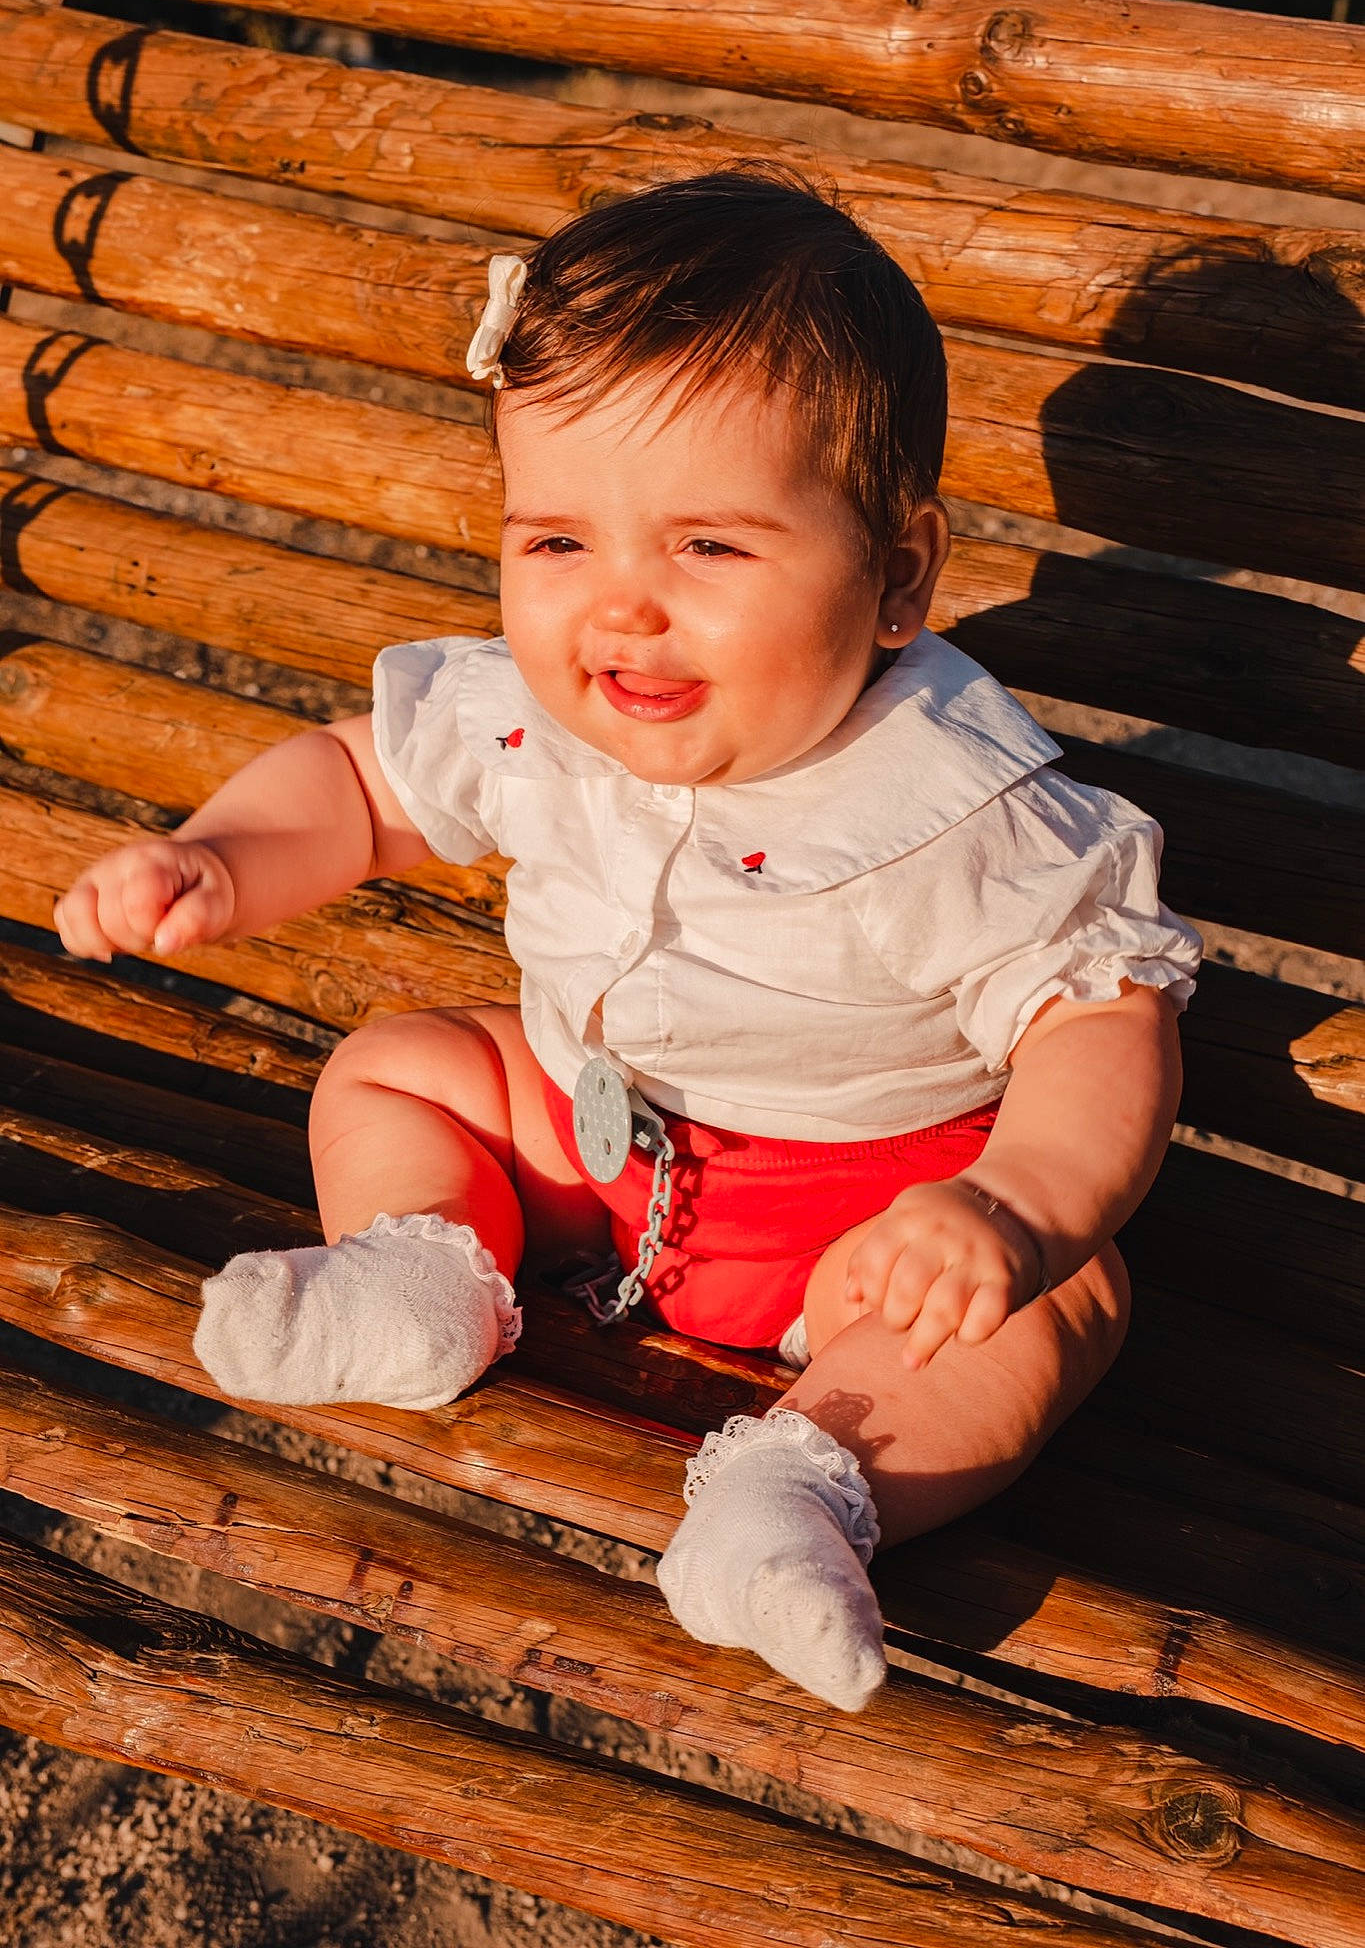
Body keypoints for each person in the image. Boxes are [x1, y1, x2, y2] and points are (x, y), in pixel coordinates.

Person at [52, 165, 1201, 1713]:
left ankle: (802, 1491)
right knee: (402, 1068)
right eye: (556, 544)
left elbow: (1099, 1017)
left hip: (866, 1224)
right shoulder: (527, 714)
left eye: (707, 549)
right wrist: (218, 856)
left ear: (898, 575)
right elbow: (360, 785)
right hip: (597, 1149)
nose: (621, 611)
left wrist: (1011, 1204)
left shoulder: (950, 804)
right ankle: (423, 1273)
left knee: (1059, 1305)